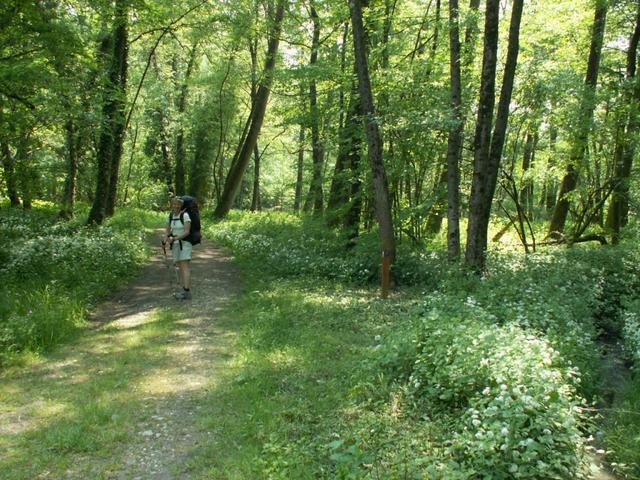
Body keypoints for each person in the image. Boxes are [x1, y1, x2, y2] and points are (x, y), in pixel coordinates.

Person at [164, 196, 192, 300]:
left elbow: (187, 232)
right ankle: (184, 289)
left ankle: (187, 291)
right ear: (171, 205)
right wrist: (165, 239)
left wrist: (175, 239)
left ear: (181, 206)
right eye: (174, 204)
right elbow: (167, 230)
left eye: (178, 204)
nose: (176, 206)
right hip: (175, 244)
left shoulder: (185, 215)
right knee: (180, 267)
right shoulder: (170, 216)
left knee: (185, 266)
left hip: (185, 243)